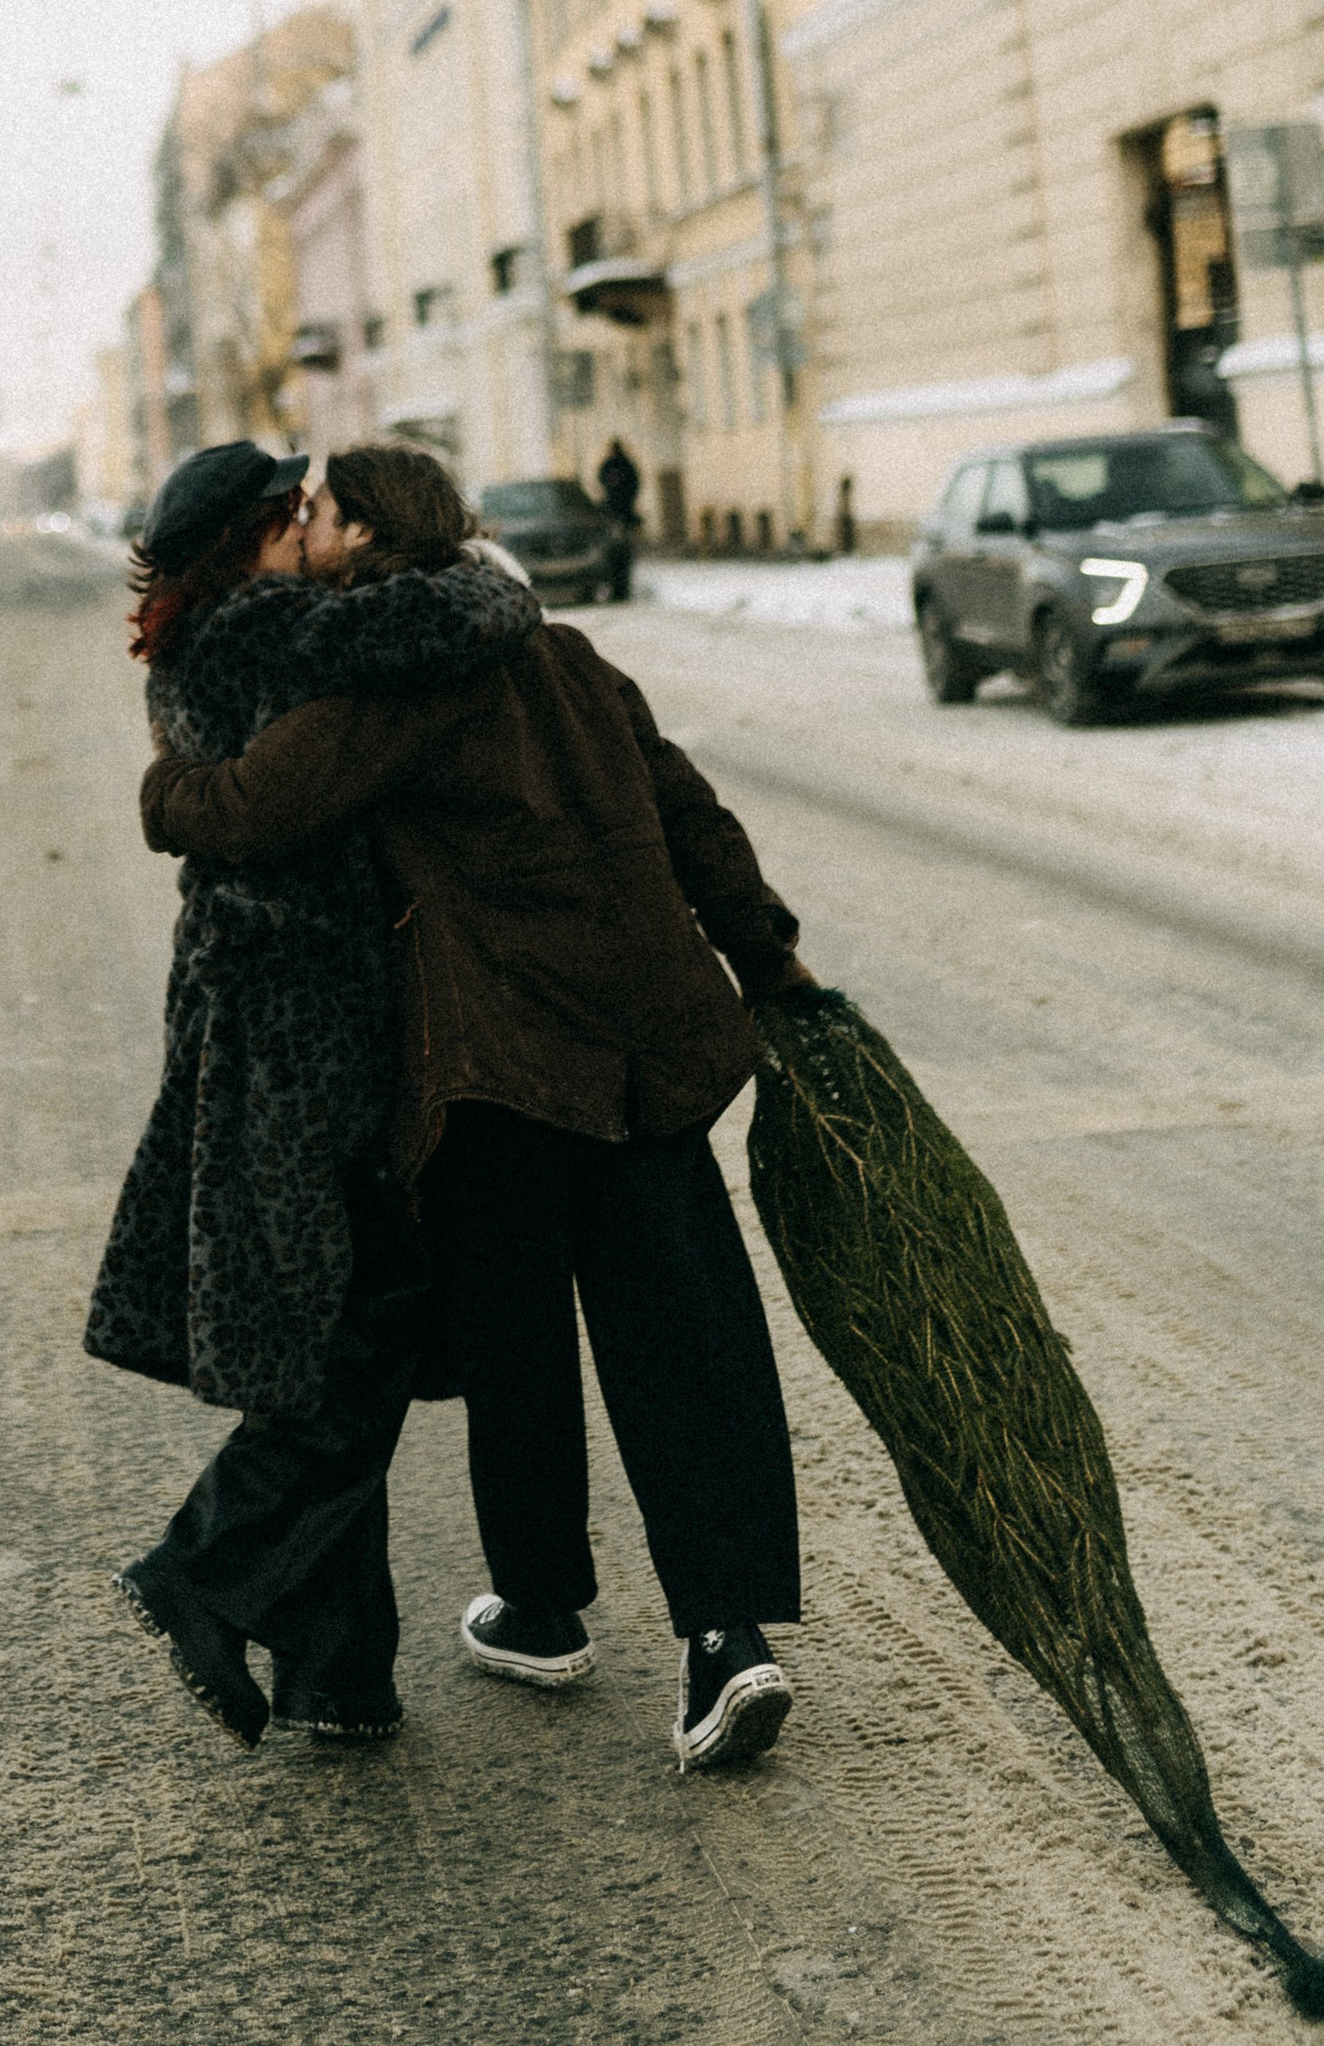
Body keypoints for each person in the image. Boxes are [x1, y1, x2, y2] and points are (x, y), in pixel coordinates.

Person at [144, 451, 816, 1778]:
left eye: (328, 514)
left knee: (515, 1338)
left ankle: (545, 1601)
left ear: (377, 533)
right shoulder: (566, 654)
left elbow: (263, 801)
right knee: (690, 1342)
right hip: (651, 1052)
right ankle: (725, 1641)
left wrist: (163, 795)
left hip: (504, 1066)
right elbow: (692, 813)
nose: (313, 531)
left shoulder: (403, 679)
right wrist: (770, 956)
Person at [87, 439, 539, 1749]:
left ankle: (339, 1672)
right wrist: (480, 559)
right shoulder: (262, 631)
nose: (312, 536)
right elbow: (472, 611)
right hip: (305, 1023)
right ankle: (200, 1568)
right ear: (257, 537)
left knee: (320, 1326)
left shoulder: (206, 636)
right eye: (299, 516)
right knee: (364, 1328)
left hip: (256, 1006)